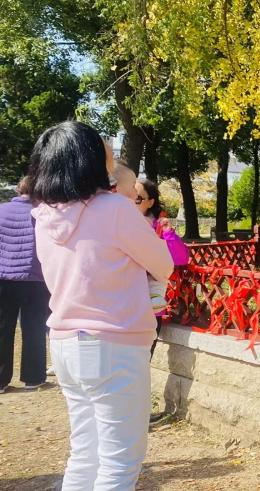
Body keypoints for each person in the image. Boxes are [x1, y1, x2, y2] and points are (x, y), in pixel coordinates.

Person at [28, 121, 173, 490]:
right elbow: (164, 264)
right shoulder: (114, 209)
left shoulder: (44, 215)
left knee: (85, 454)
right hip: (114, 344)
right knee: (119, 462)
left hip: (64, 343)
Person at [0, 176, 51, 393]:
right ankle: (33, 378)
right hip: (35, 278)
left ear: (18, 190)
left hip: (4, 278)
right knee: (34, 329)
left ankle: (1, 381)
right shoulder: (43, 214)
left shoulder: (1, 211)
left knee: (3, 329)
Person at [132, 178, 188, 357]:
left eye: (138, 198)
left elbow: (181, 258)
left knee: (142, 359)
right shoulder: (113, 224)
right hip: (120, 305)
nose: (132, 201)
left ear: (150, 202)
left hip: (148, 306)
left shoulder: (158, 226)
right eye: (128, 195)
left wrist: (169, 233)